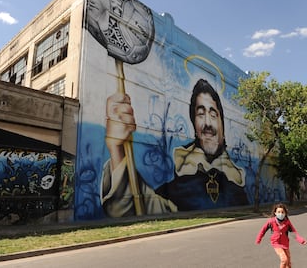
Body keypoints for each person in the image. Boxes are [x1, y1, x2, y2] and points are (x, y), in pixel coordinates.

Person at [101, 79, 249, 217]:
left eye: (213, 114)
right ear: (194, 126)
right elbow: (134, 206)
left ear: (223, 124)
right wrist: (117, 149)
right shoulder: (178, 185)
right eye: (201, 114)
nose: (207, 123)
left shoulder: (236, 181)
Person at [255, 203, 307, 268]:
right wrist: (258, 239)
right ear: (275, 213)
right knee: (284, 260)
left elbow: (293, 232)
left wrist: (301, 240)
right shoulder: (271, 221)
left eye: (282, 212)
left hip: (285, 243)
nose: (281, 214)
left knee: (288, 262)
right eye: (278, 212)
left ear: (285, 213)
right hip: (276, 243)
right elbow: (263, 230)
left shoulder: (287, 222)